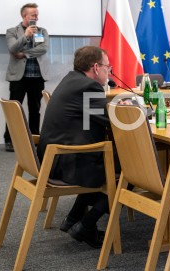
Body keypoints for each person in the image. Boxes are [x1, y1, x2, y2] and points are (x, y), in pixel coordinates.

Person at [37, 46, 117, 249]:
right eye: (108, 67)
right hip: (67, 162)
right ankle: (86, 224)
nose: (110, 71)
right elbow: (112, 122)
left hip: (53, 158)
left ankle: (74, 218)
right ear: (96, 67)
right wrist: (138, 114)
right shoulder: (89, 87)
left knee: (119, 160)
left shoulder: (72, 80)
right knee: (133, 169)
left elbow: (95, 119)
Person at [4, 3, 49, 152]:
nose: (36, 17)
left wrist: (24, 53)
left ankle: (35, 138)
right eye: (33, 15)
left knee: (34, 109)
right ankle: (9, 140)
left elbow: (42, 49)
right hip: (19, 77)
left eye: (37, 14)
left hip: (37, 77)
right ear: (24, 16)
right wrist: (25, 36)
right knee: (14, 109)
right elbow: (12, 48)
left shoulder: (41, 31)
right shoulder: (12, 31)